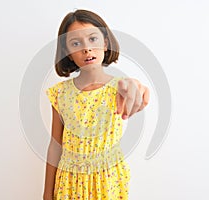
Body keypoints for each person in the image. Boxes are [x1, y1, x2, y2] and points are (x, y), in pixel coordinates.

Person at [44, 9, 149, 200]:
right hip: (69, 181)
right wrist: (47, 193)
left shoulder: (119, 87)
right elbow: (55, 145)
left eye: (92, 39)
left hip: (107, 181)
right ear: (67, 52)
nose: (86, 49)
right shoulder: (59, 93)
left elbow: (134, 89)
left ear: (105, 42)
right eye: (76, 43)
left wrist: (137, 89)